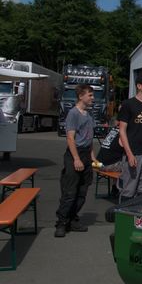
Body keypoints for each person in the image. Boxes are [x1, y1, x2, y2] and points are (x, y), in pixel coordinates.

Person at [54, 84, 96, 238]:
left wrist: (92, 156)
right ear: (81, 96)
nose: (93, 98)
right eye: (90, 95)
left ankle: (72, 219)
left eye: (92, 95)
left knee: (82, 191)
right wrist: (76, 159)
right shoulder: (73, 113)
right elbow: (70, 138)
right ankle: (61, 223)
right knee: (70, 192)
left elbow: (89, 138)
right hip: (74, 155)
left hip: (85, 155)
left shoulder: (88, 115)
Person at [95, 121, 124, 197]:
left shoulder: (113, 130)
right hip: (105, 165)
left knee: (118, 160)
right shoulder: (123, 133)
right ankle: (125, 192)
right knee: (129, 165)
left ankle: (115, 188)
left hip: (97, 163)